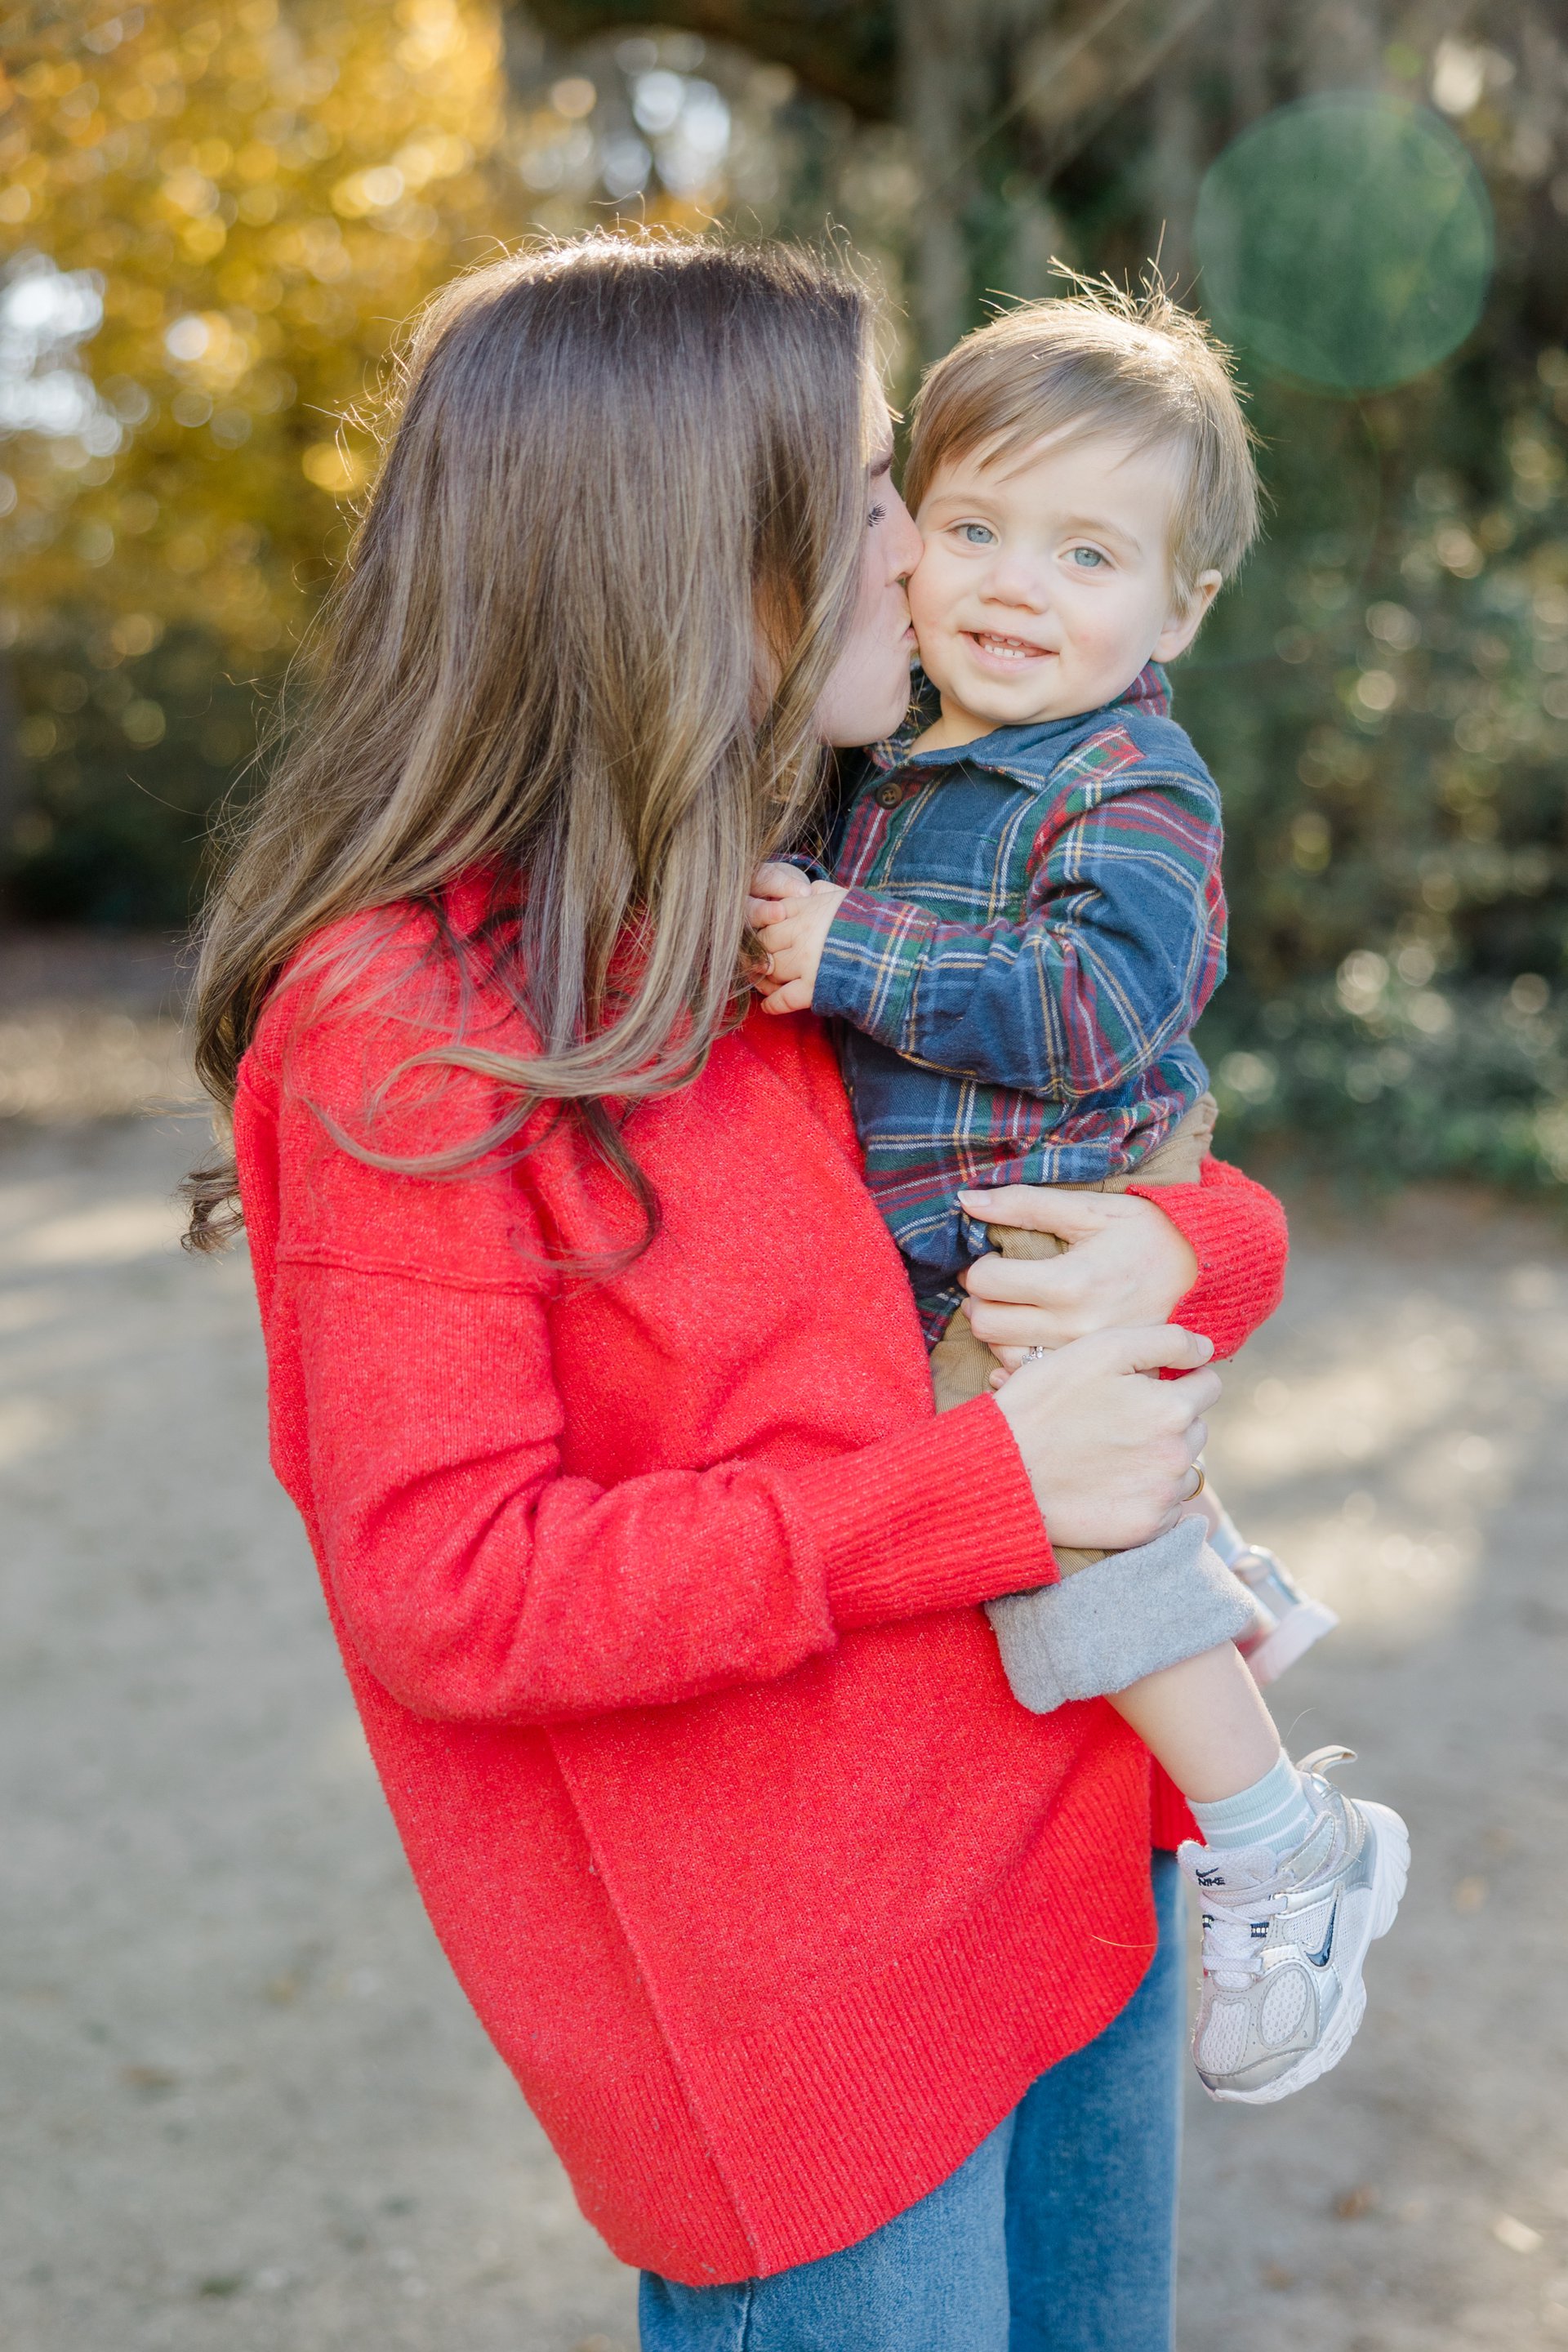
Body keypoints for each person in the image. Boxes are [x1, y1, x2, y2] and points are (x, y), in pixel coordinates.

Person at [185, 237, 1290, 2349]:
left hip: (1080, 1871)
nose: (925, 552)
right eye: (878, 496)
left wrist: (1202, 1244)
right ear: (694, 549)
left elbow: (1103, 1146)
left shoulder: (798, 888)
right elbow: (454, 1591)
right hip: (812, 2022)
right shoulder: (407, 1018)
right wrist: (982, 1490)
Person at [750, 282, 1408, 2106]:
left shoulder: (1131, 780)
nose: (1015, 586)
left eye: (1089, 553)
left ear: (1180, 608)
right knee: (1069, 1504)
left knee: (1059, 1545)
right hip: (976, 1230)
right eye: (974, 527)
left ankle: (1281, 1842)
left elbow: (1099, 1003)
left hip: (1058, 1212)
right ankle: (1220, 1581)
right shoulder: (891, 759)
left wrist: (849, 950)